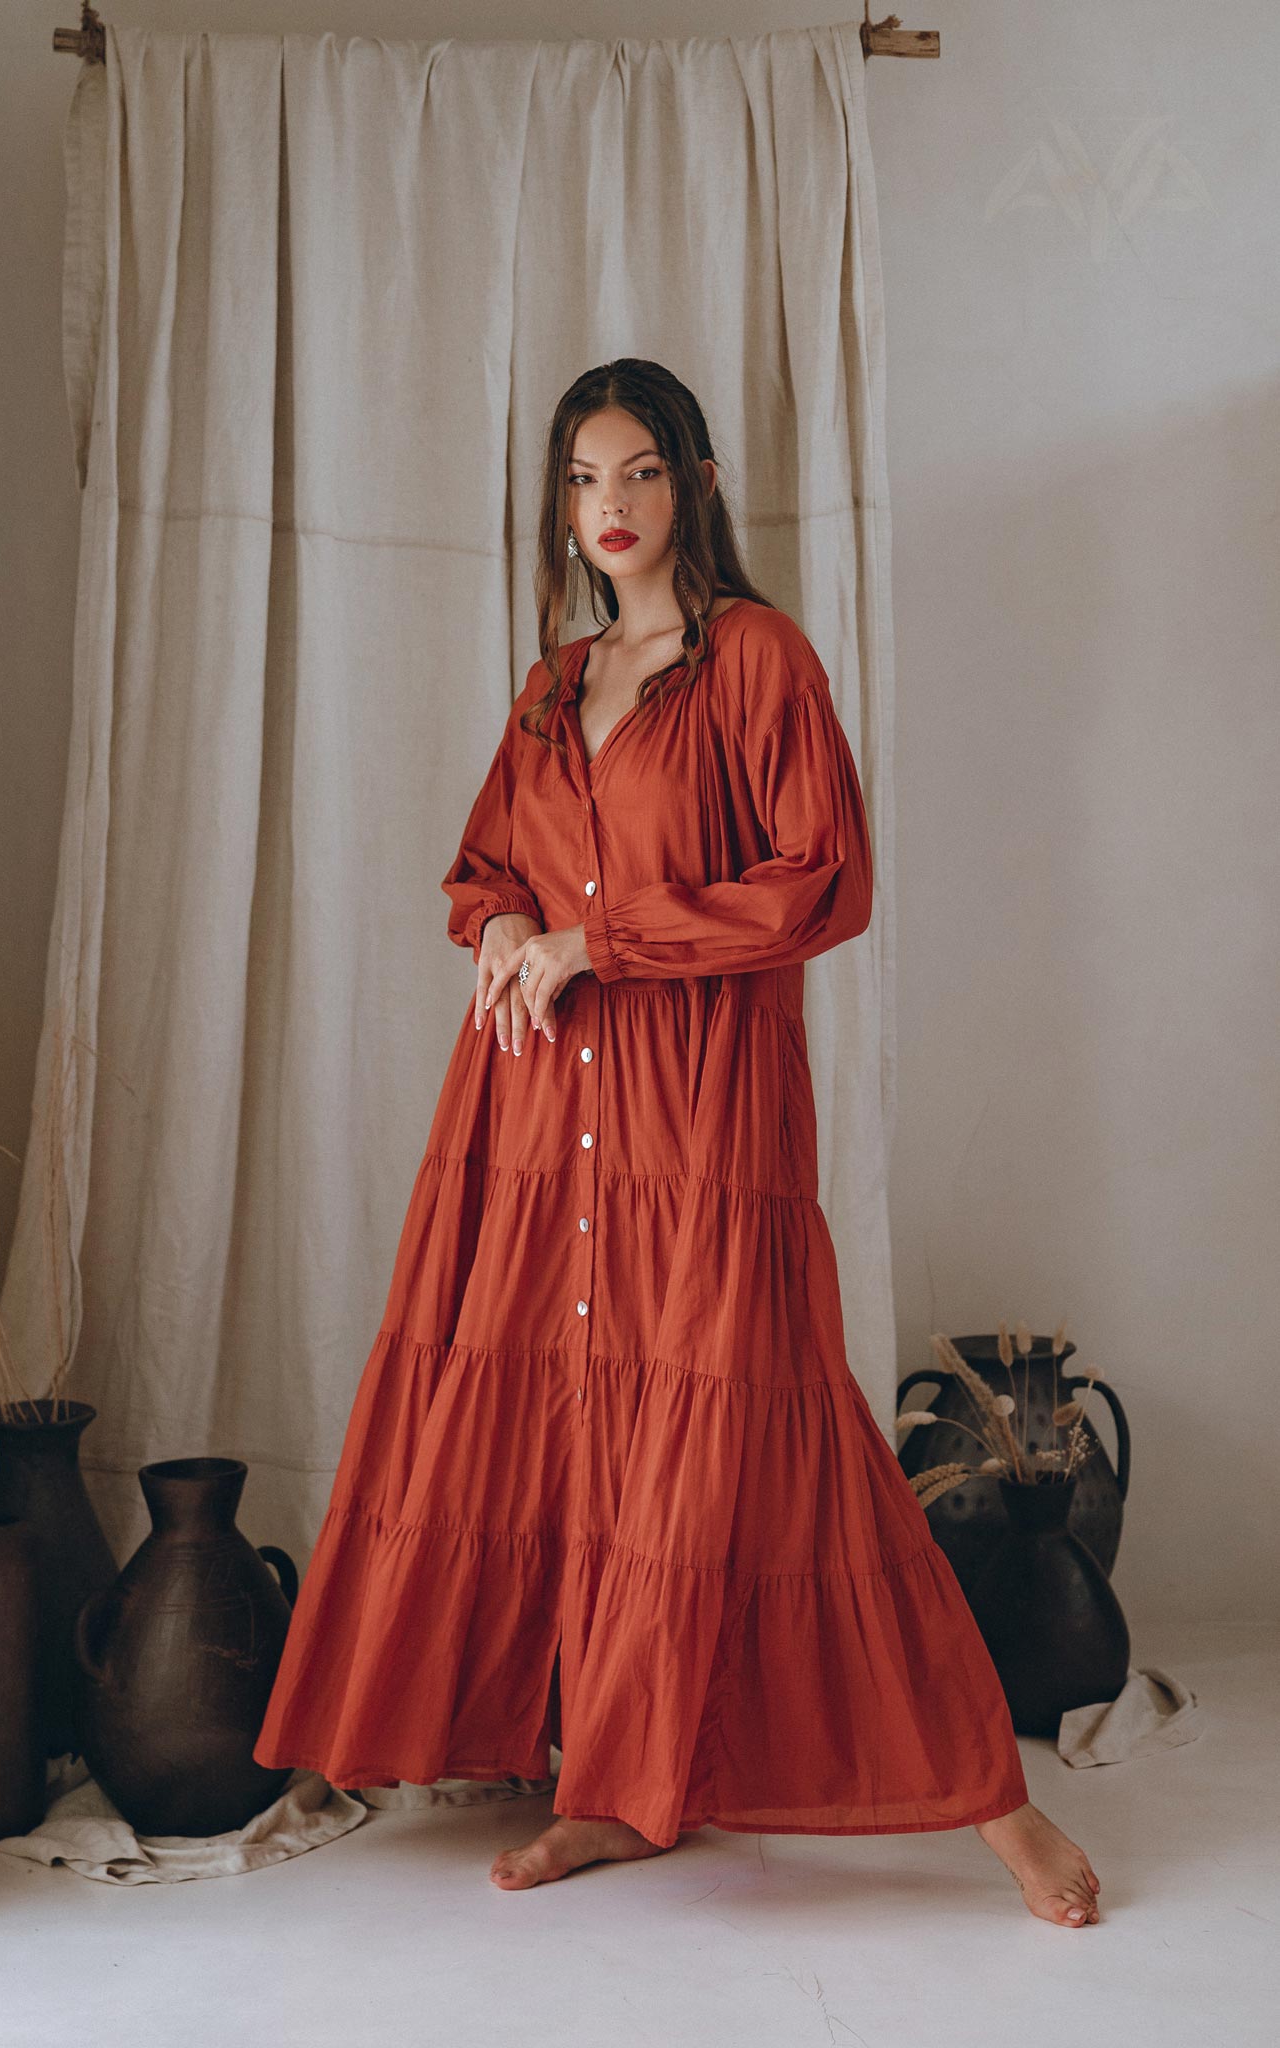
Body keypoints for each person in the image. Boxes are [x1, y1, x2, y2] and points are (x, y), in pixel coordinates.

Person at [253, 359, 1101, 1928]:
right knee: (576, 1428)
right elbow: (482, 869)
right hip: (528, 1115)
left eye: (639, 472)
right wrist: (512, 919)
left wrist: (596, 942)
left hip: (696, 1104)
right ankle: (616, 1786)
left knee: (770, 1427)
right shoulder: (548, 684)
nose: (609, 509)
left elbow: (815, 884)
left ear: (696, 482)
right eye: (583, 481)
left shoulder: (758, 661)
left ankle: (993, 1806)